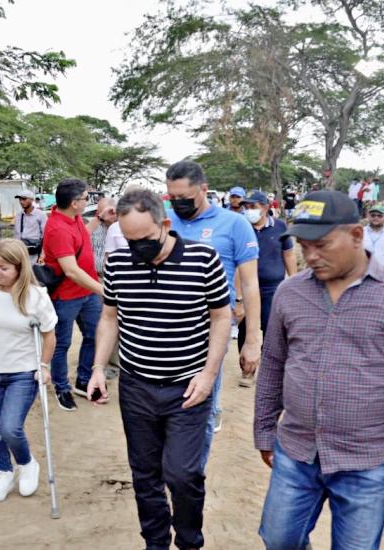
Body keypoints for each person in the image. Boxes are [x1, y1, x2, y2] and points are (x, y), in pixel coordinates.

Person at [254, 190, 384, 549]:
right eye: (304, 246)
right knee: (278, 539)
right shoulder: (291, 293)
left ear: (356, 235)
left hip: (367, 460)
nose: (311, 256)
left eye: (321, 244)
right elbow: (273, 362)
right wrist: (263, 428)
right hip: (297, 450)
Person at [88, 188, 232, 550]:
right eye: (130, 240)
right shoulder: (120, 264)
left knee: (183, 474)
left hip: (188, 386)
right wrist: (96, 368)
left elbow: (220, 316)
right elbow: (109, 318)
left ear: (165, 224)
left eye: (146, 239)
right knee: (145, 474)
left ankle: (189, 541)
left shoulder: (203, 259)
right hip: (137, 386)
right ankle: (155, 542)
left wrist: (209, 374)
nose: (139, 249)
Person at [165, 160, 261, 452]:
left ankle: (192, 478)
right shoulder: (164, 220)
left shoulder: (235, 224)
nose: (178, 204)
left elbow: (250, 284)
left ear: (204, 189)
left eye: (185, 197)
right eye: (173, 198)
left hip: (211, 330)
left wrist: (252, 339)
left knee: (201, 406)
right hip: (165, 329)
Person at [0, 239, 57, 502]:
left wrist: (44, 365)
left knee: (10, 428)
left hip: (23, 374)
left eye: (4, 267)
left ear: (19, 267)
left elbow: (50, 335)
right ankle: (4, 471)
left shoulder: (36, 297)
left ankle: (27, 464)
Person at [41, 178, 104, 412]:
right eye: (86, 198)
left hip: (86, 293)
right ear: (74, 202)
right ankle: (61, 387)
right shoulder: (57, 227)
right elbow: (70, 270)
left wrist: (100, 217)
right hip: (66, 296)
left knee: (94, 335)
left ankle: (83, 379)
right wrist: (103, 290)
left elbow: (81, 239)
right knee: (61, 343)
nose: (88, 201)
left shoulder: (75, 219)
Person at [237, 191, 297, 387]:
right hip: (247, 287)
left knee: (271, 328)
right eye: (246, 207)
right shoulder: (241, 227)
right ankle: (247, 369)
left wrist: (294, 281)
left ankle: (270, 369)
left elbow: (288, 254)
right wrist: (237, 296)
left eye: (253, 207)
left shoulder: (279, 227)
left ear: (265, 207)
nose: (248, 211)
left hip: (273, 288)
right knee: (245, 328)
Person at [13, 190, 47, 264]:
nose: (21, 202)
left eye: (24, 199)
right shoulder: (19, 215)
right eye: (20, 199)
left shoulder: (40, 215)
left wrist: (43, 254)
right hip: (21, 252)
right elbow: (17, 234)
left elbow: (45, 235)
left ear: (32, 199)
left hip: (34, 253)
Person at [90, 196, 117, 276]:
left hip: (116, 278)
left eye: (107, 213)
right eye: (100, 214)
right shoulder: (94, 227)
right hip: (96, 277)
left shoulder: (124, 228)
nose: (104, 217)